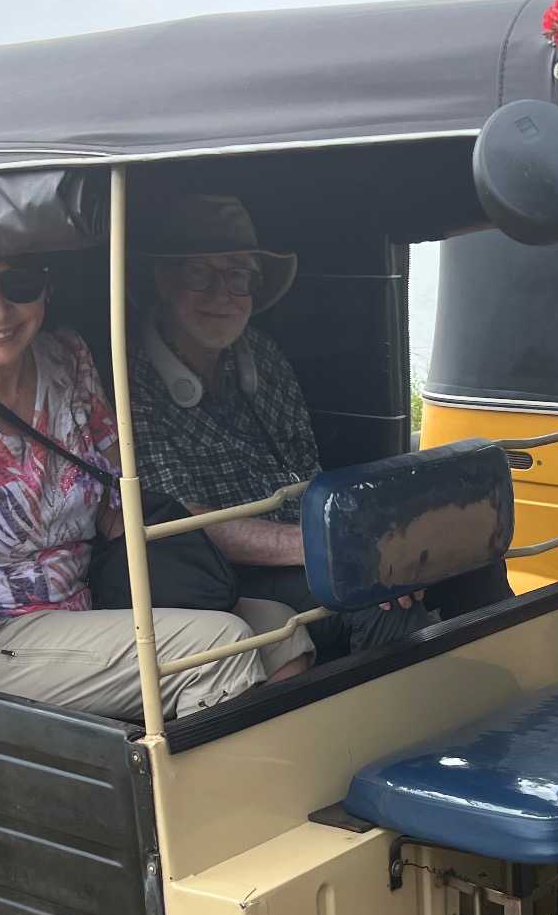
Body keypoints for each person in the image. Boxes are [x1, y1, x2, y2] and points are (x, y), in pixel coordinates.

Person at [0, 253, 311, 720]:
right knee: (218, 647)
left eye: (20, 283)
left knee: (280, 629)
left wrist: (192, 571)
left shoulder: (65, 358)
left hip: (85, 599)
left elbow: (118, 502)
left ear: (47, 286)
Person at [127, 195, 435, 663]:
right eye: (198, 274)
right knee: (378, 602)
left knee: (457, 562)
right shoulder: (128, 377)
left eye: (238, 275)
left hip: (305, 546)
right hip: (220, 573)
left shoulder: (262, 355)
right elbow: (177, 519)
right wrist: (321, 546)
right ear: (162, 281)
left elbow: (307, 469)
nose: (221, 294)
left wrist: (378, 537)